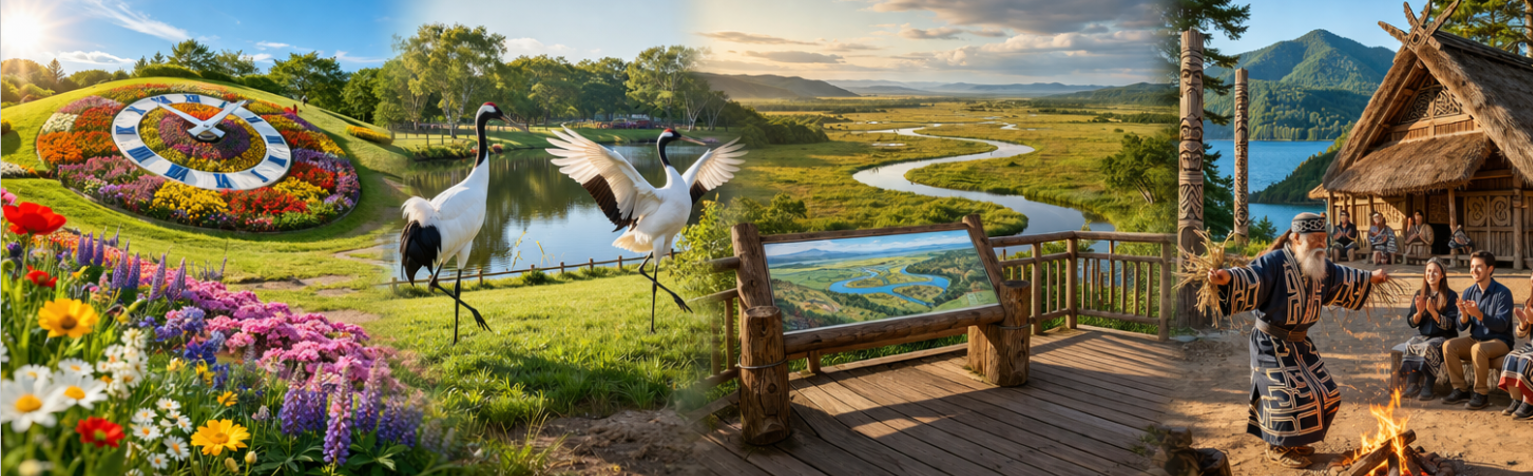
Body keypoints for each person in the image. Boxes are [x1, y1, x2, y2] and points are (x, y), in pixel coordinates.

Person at [1208, 212, 1388, 469]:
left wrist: (1371, 277)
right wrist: (1227, 278)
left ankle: (1294, 440)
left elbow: (1342, 276)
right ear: (1295, 238)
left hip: (1300, 344)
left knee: (1326, 393)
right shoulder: (1274, 261)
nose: (1321, 244)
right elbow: (1251, 277)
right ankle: (1276, 447)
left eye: (1323, 238)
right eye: (1315, 238)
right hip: (1270, 342)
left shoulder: (1320, 265)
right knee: (1288, 395)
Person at [1441, 250, 1515, 410]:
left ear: (1490, 269)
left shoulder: (1503, 293)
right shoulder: (1469, 292)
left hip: (1500, 341)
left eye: (1478, 267)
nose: (1473, 270)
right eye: (1472, 266)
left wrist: (1480, 315)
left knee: (1478, 349)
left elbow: (1502, 324)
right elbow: (1462, 326)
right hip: (1476, 339)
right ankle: (1460, 389)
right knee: (1449, 346)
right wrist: (1464, 315)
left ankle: (1481, 394)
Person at [1401, 258, 1459, 400]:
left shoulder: (1451, 296)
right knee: (1410, 344)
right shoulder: (1419, 294)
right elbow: (1412, 322)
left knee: (1429, 347)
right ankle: (1413, 384)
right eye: (1428, 271)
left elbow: (1452, 323)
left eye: (1435, 272)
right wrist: (1419, 313)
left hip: (1444, 336)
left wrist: (1434, 312)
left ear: (1442, 275)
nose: (1431, 274)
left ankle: (1428, 386)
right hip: (1425, 334)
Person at [1497, 274, 1533, 420]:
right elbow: (1520, 334)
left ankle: (1529, 401)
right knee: (1512, 357)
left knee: (1527, 360)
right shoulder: (1530, 302)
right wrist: (1524, 323)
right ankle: (1517, 399)